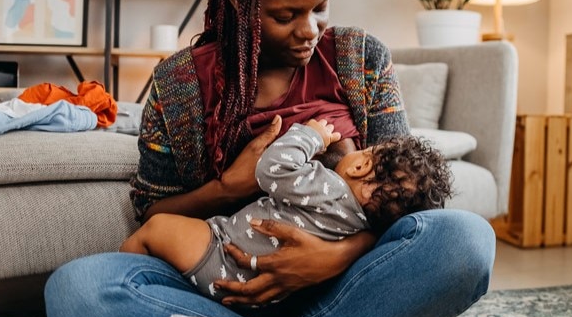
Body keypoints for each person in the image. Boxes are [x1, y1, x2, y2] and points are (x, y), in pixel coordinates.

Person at [44, 0, 496, 317]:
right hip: (221, 285)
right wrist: (227, 186)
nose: (309, 30)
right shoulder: (181, 82)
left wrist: (331, 258)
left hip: (343, 287)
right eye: (287, 15)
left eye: (320, 9)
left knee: (465, 241)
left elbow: (403, 197)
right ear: (239, 0)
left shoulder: (359, 57)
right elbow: (152, 214)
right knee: (80, 292)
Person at [119, 117, 454, 305]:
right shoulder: (356, 224)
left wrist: (312, 136)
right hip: (264, 297)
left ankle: (119, 275)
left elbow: (273, 168)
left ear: (360, 167)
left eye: (365, 150)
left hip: (223, 256)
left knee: (157, 229)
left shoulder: (329, 188)